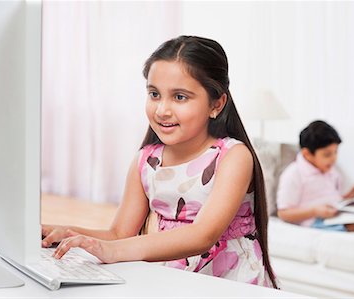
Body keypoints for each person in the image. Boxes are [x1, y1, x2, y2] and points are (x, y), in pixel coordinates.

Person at [41, 36, 278, 288]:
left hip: (232, 283)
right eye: (154, 94)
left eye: (180, 97)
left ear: (216, 104)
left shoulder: (233, 156)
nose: (162, 110)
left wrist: (113, 251)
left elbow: (202, 236)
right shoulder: (146, 160)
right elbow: (119, 234)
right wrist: (67, 233)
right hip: (174, 279)